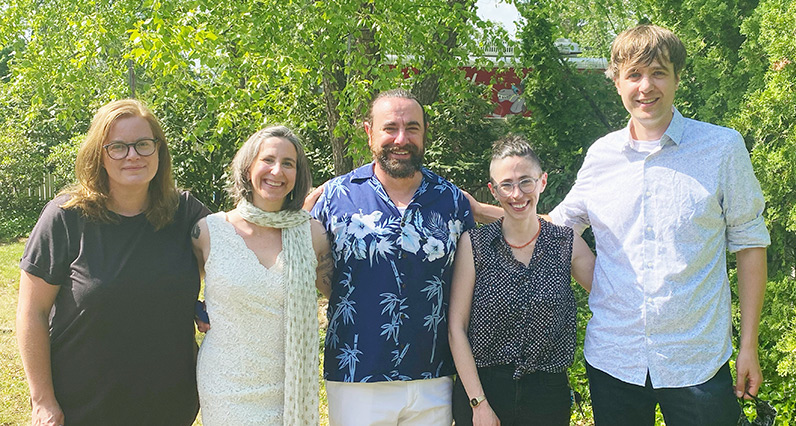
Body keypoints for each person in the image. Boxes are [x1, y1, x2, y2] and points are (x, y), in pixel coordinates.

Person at [548, 24, 770, 425]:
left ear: (677, 78)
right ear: (617, 82)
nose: (646, 86)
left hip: (698, 361)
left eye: (658, 73)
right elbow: (556, 228)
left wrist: (749, 345)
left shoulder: (722, 148)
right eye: (633, 74)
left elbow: (750, 245)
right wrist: (479, 210)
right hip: (614, 359)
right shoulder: (601, 156)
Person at [16, 99, 209, 425]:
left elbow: (236, 255)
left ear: (159, 151)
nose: (133, 155)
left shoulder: (185, 212)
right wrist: (43, 401)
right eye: (118, 147)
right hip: (82, 407)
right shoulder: (66, 217)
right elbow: (31, 312)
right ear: (99, 156)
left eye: (143, 144)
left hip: (169, 407)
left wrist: (216, 302)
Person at [310, 88, 477, 425]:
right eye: (390, 128)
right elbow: (312, 268)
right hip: (356, 374)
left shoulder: (451, 200)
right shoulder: (335, 196)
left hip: (433, 377)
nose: (401, 139)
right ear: (369, 132)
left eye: (412, 128)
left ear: (424, 133)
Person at [448, 135, 595, 426]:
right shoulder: (475, 245)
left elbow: (613, 294)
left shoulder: (566, 244)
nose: (517, 194)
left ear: (542, 182)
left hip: (547, 395)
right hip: (484, 389)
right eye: (507, 184)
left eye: (526, 181)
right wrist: (478, 403)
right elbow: (456, 328)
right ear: (494, 190)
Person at [192, 125, 332, 425]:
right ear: (248, 167)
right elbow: (172, 283)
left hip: (289, 387)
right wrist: (194, 307)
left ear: (297, 175)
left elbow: (342, 295)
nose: (277, 171)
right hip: (225, 386)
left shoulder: (312, 234)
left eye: (288, 163)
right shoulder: (209, 231)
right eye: (267, 160)